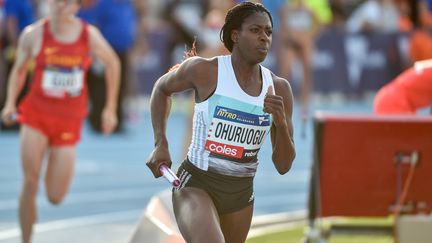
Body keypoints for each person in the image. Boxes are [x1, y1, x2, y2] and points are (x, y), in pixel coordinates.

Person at [146, 2, 296, 242]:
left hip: (240, 193)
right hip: (197, 183)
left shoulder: (278, 88)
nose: (264, 38)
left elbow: (284, 165)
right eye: (255, 30)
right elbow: (161, 89)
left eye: (268, 32)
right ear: (235, 35)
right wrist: (160, 143)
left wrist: (281, 123)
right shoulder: (205, 71)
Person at [0, 0, 120, 242]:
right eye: (56, 1)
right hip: (36, 115)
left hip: (68, 121)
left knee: (55, 195)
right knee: (30, 181)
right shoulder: (33, 34)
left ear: (77, 7)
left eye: (67, 3)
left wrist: (110, 108)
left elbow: (112, 63)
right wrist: (11, 102)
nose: (60, 7)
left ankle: (52, 171)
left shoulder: (88, 35)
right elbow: (20, 69)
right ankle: (26, 237)